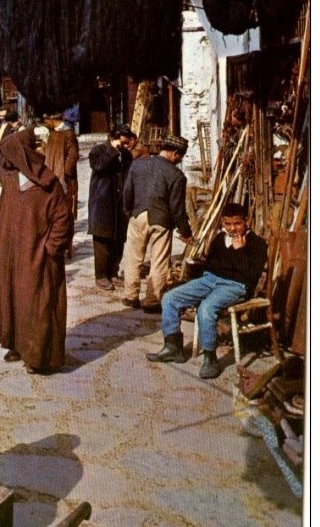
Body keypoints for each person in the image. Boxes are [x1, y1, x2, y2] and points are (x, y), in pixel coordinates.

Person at [147, 202, 267, 379]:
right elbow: (210, 265)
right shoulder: (219, 239)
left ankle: (210, 358)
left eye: (237, 224)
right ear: (223, 223)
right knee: (170, 298)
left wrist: (240, 250)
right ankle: (173, 347)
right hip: (210, 279)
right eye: (228, 224)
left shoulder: (257, 243)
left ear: (246, 221)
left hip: (235, 285)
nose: (232, 228)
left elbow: (251, 276)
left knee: (206, 308)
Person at [0, 129, 74, 374]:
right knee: (15, 301)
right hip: (13, 256)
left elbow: (62, 219)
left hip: (38, 257)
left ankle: (38, 357)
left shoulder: (48, 184)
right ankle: (17, 344)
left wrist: (51, 248)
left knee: (38, 305)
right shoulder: (12, 181)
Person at [121, 134, 192, 313]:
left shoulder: (137, 164)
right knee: (159, 261)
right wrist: (185, 231)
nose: (180, 160)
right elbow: (177, 208)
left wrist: (129, 212)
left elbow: (127, 191)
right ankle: (152, 301)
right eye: (180, 157)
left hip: (138, 215)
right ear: (175, 153)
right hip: (161, 220)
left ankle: (131, 296)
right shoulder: (177, 175)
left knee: (133, 257)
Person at [87, 126, 132, 291]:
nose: (128, 145)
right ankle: (101, 275)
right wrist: (113, 151)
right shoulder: (98, 150)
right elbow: (99, 166)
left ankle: (114, 271)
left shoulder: (126, 155)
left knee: (118, 240)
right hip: (102, 202)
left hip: (120, 203)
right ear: (116, 138)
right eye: (125, 141)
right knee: (102, 241)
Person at [44, 111, 80, 220]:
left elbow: (73, 155)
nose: (45, 123)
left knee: (66, 204)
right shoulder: (52, 133)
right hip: (52, 173)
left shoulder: (68, 133)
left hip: (63, 177)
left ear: (52, 120)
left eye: (46, 120)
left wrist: (65, 172)